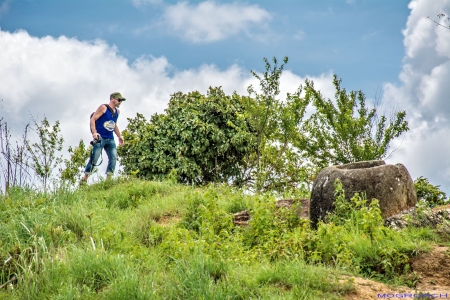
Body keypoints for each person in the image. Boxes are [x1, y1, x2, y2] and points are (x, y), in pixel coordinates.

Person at [82, 92, 126, 182]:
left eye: (121, 100)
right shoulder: (103, 108)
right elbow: (93, 119)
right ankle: (85, 179)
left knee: (113, 158)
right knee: (95, 158)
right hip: (100, 138)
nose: (120, 102)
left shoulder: (117, 112)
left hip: (110, 139)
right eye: (119, 100)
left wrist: (119, 136)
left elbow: (113, 125)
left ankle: (108, 180)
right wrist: (94, 133)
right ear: (112, 99)